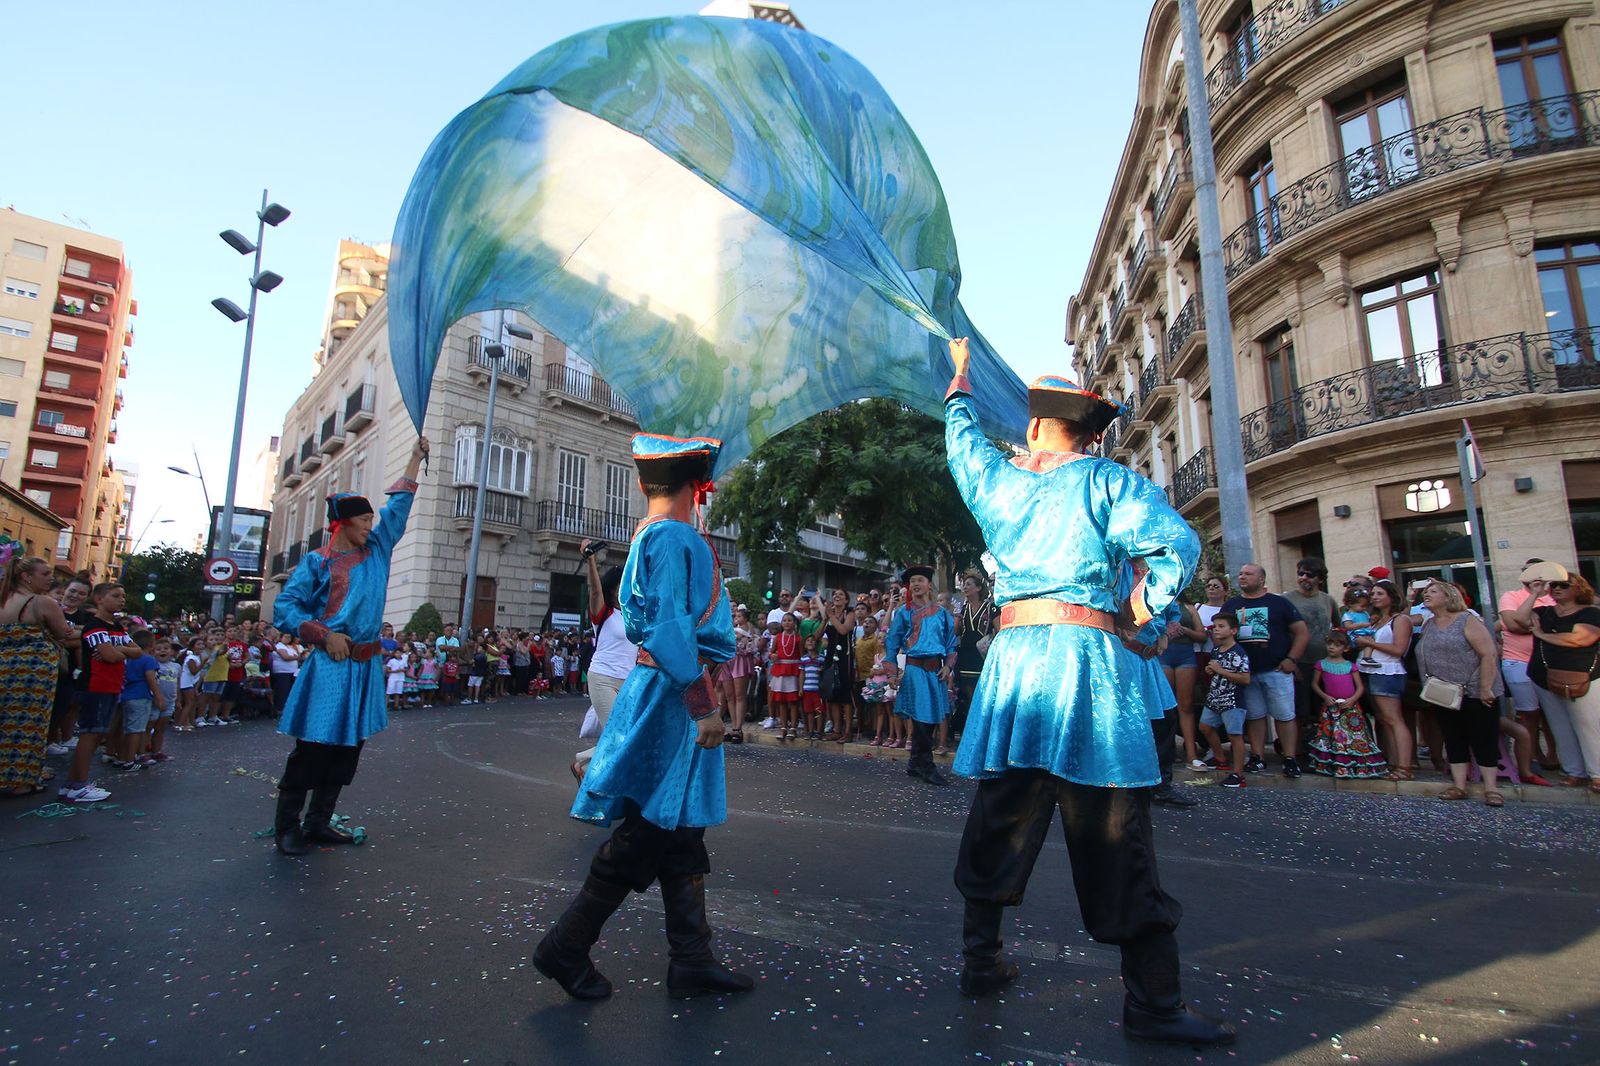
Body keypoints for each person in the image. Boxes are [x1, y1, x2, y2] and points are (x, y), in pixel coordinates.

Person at [940, 339, 1231, 1046]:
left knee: (1002, 811)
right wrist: (1147, 615)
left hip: (1015, 665)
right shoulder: (1107, 482)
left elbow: (962, 443)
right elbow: (1177, 547)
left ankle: (981, 960)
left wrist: (959, 384)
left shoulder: (1000, 481)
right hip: (1085, 662)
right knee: (1112, 826)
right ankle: (1153, 1004)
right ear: (1089, 431)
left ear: (1037, 425)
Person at [534, 432, 751, 1003]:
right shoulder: (676, 537)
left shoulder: (650, 535)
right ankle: (566, 945)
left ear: (640, 483)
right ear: (695, 486)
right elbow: (670, 628)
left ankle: (692, 957)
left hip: (665, 684)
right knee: (653, 827)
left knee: (679, 827)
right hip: (674, 691)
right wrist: (702, 702)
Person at [270, 436, 427, 856]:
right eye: (362, 521)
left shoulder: (377, 551)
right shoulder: (316, 562)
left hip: (365, 666)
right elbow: (286, 606)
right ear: (342, 524)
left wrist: (413, 458)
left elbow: (399, 509)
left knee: (348, 750)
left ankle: (318, 821)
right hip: (331, 665)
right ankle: (287, 826)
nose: (370, 527)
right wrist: (323, 633)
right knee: (313, 748)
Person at [1415, 580, 1507, 806]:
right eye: (1426, 592)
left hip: (1475, 690)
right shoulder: (1429, 624)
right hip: (1444, 692)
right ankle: (1459, 785)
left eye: (1433, 592)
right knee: (1453, 737)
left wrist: (1485, 687)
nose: (1427, 595)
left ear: (1448, 597)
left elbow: (1488, 654)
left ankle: (1491, 788)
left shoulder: (1467, 620)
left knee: (1483, 738)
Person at [1512, 566, 1600, 792]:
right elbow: (1519, 619)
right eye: (1554, 585)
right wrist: (1534, 593)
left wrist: (1542, 635)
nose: (1556, 589)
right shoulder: (1546, 611)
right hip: (1545, 676)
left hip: (1583, 676)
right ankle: (1574, 771)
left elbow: (1580, 638)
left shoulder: (1590, 612)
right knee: (1560, 726)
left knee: (1589, 725)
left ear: (1578, 588)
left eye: (1563, 585)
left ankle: (1597, 772)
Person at [0, 554, 79, 797]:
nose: (51, 579)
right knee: (29, 727)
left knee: (5, 724)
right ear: (26, 576)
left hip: (5, 668)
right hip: (33, 675)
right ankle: (22, 781)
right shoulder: (41, 603)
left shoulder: (5, 600)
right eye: (45, 574)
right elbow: (64, 633)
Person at [1224, 564, 1309, 777]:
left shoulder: (1279, 603)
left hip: (1276, 669)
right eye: (1241, 573)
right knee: (1255, 715)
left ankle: (1290, 758)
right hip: (1245, 673)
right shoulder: (1232, 605)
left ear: (1261, 579)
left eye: (1248, 574)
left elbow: (1301, 632)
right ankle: (1258, 756)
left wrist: (1292, 659)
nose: (1242, 576)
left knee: (1284, 714)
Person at [62, 583, 142, 804]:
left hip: (111, 686)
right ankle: (78, 784)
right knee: (90, 735)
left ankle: (71, 784)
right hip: (96, 687)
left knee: (95, 735)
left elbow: (136, 651)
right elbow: (109, 656)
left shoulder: (116, 627)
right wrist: (121, 651)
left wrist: (121, 650)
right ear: (99, 599)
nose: (121, 600)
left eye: (123, 595)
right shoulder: (94, 626)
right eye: (115, 596)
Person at [883, 565, 958, 786]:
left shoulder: (942, 613)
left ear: (928, 585)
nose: (916, 584)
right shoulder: (903, 613)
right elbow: (892, 642)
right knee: (922, 718)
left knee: (931, 718)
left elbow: (951, 644)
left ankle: (915, 762)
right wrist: (891, 673)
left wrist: (948, 666)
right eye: (912, 581)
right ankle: (926, 765)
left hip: (935, 671)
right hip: (915, 670)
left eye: (920, 580)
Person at [1501, 561, 1575, 783]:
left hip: (1551, 662)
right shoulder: (1512, 596)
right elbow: (1514, 625)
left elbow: (1565, 628)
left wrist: (1538, 629)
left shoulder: (1555, 598)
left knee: (1553, 714)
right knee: (1529, 713)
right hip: (1519, 662)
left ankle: (1555, 755)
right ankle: (1532, 755)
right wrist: (1533, 597)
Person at [575, 542, 638, 780]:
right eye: (623, 583)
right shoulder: (604, 614)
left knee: (630, 735)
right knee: (620, 735)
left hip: (629, 683)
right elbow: (594, 591)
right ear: (613, 588)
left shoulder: (633, 617)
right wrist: (591, 560)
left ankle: (585, 764)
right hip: (603, 679)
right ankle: (585, 766)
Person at [1354, 579, 1415, 781]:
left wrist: (1369, 643)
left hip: (1387, 672)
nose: (1375, 597)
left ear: (1392, 596)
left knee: (1393, 718)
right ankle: (1392, 761)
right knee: (1383, 719)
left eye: (1380, 594)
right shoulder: (1377, 620)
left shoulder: (1401, 620)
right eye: (1373, 594)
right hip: (1370, 671)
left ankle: (1404, 766)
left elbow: (1399, 649)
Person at [1304, 630, 1385, 778]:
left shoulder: (1351, 666)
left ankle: (1359, 766)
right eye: (1329, 644)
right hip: (1331, 707)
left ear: (1345, 648)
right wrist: (1325, 696)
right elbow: (1315, 684)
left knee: (1354, 737)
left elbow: (1360, 687)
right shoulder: (1321, 664)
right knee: (1332, 737)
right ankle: (1334, 766)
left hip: (1350, 708)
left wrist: (1352, 699)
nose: (1332, 647)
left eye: (1337, 645)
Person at [1283, 557, 1340, 762]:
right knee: (1299, 710)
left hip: (1325, 664)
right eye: (1301, 573)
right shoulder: (1287, 599)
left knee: (1324, 709)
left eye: (1310, 574)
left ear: (1320, 579)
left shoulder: (1327, 600)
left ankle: (1325, 751)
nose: (1304, 578)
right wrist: (1290, 660)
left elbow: (1338, 628)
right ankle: (1296, 754)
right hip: (1300, 663)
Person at [1196, 612, 1250, 789]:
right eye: (1215, 627)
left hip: (1232, 700)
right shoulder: (1216, 651)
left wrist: (1220, 671)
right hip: (1215, 698)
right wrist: (1210, 670)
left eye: (1221, 626)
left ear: (1233, 630)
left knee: (1235, 735)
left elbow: (1245, 678)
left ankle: (1238, 774)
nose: (1216, 630)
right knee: (1205, 727)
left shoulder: (1239, 653)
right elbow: (1216, 669)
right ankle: (1220, 758)